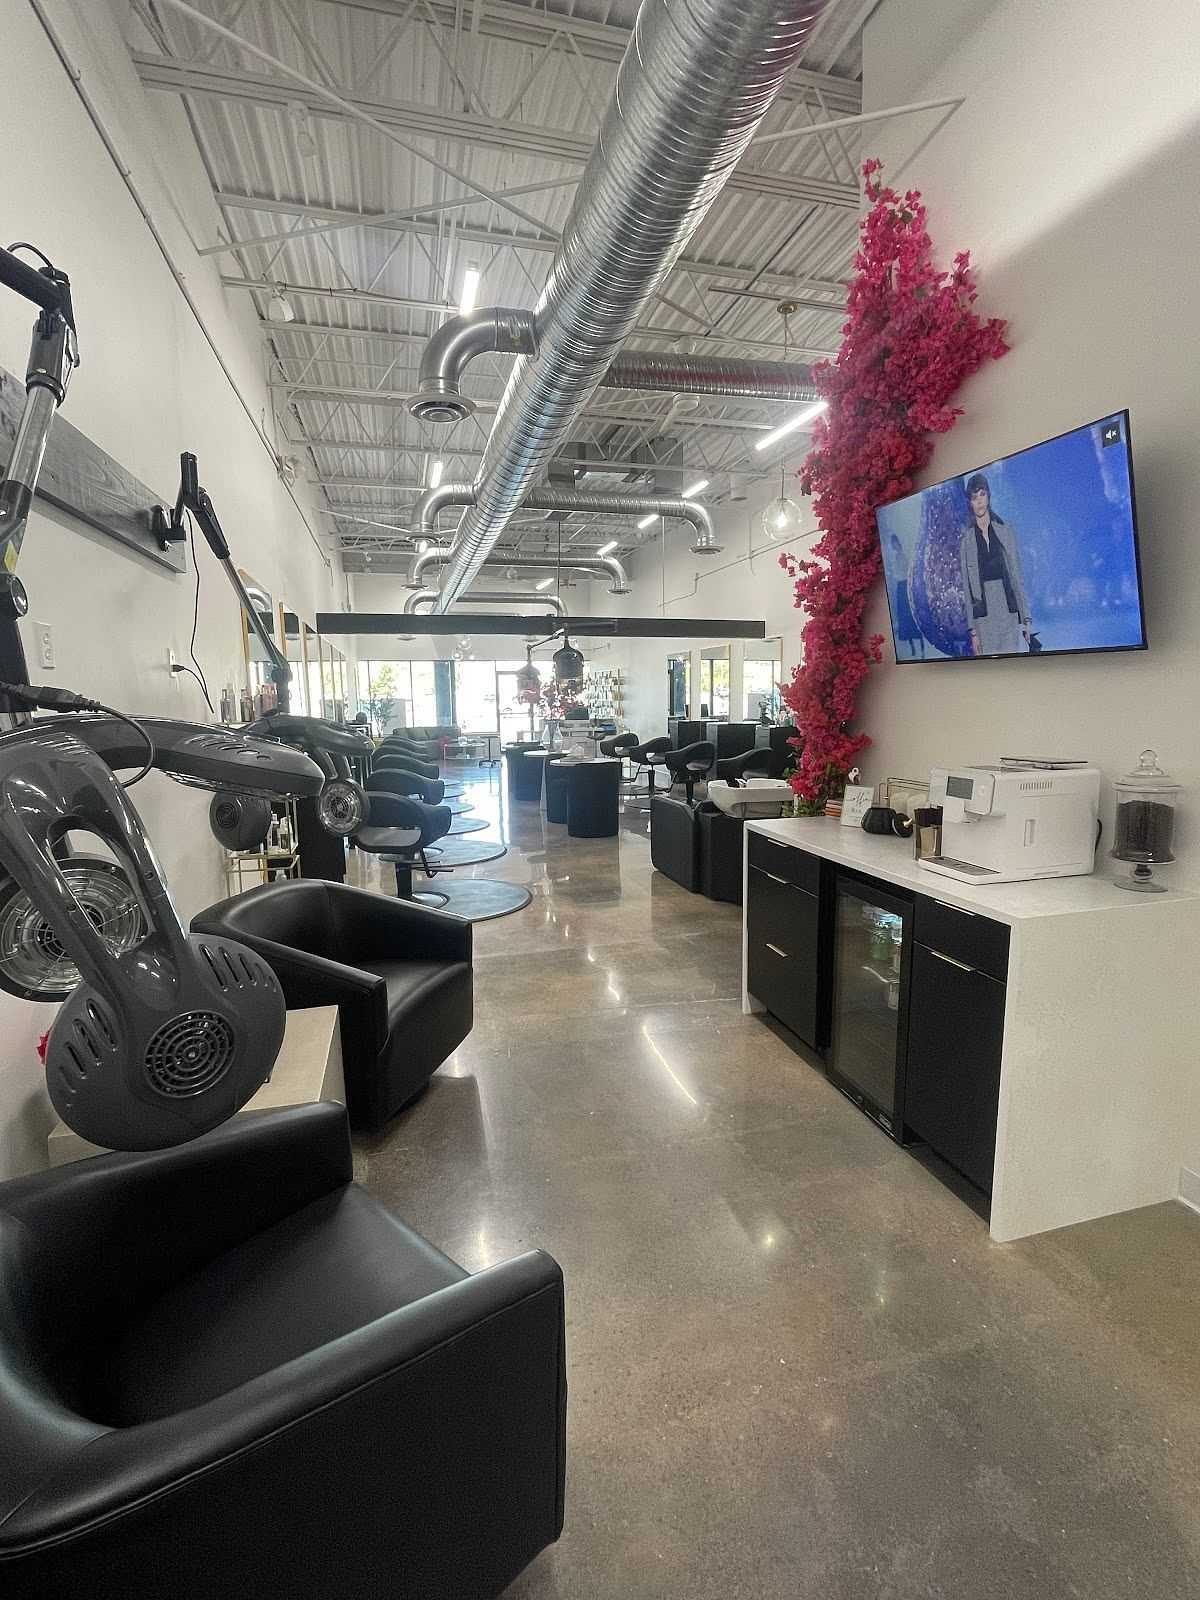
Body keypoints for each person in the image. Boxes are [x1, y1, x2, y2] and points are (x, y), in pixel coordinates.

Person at [957, 473, 1031, 655]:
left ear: (989, 496)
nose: (979, 501)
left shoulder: (1006, 530)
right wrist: (972, 632)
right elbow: (966, 588)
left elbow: (1017, 576)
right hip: (983, 616)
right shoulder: (966, 541)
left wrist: (1027, 619)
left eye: (982, 494)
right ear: (970, 503)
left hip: (1009, 610)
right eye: (974, 498)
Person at [888, 533, 924, 658]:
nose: (895, 547)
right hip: (900, 587)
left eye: (896, 544)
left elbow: (911, 570)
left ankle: (921, 647)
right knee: (904, 615)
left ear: (899, 544)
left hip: (907, 585)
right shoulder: (895, 559)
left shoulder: (905, 555)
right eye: (893, 545)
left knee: (912, 613)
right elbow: (894, 574)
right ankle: (912, 647)